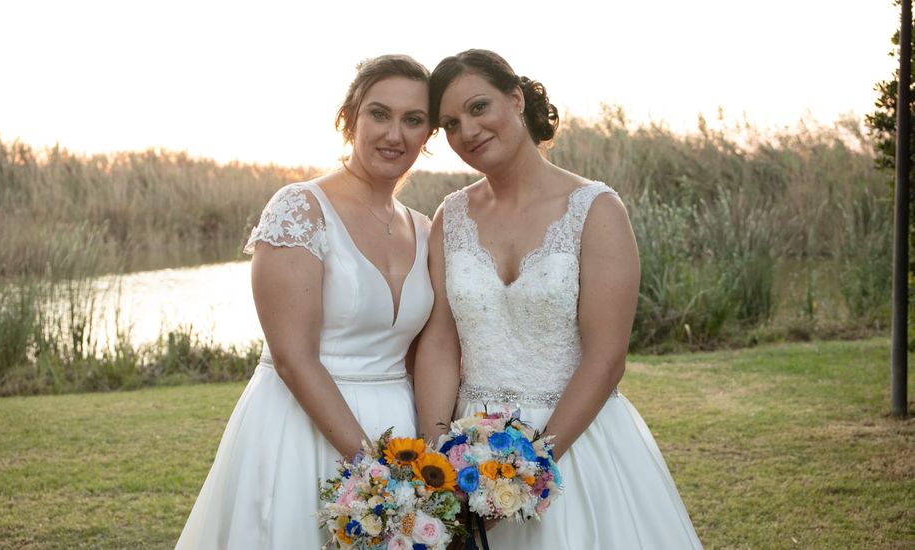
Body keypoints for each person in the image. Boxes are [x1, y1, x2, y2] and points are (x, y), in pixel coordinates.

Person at [415, 49, 702, 549]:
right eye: (450, 124)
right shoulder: (450, 216)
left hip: (576, 445)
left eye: (479, 107)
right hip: (468, 455)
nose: (468, 131)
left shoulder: (596, 210)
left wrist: (526, 471)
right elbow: (439, 343)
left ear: (516, 98)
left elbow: (606, 359)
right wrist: (436, 461)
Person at [176, 54, 434, 549]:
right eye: (379, 114)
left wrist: (417, 458)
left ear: (428, 135)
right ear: (349, 119)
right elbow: (294, 359)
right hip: (299, 428)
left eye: (413, 120)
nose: (394, 134)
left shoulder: (424, 228)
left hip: (397, 429)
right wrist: (374, 472)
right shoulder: (300, 209)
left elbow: (421, 352)